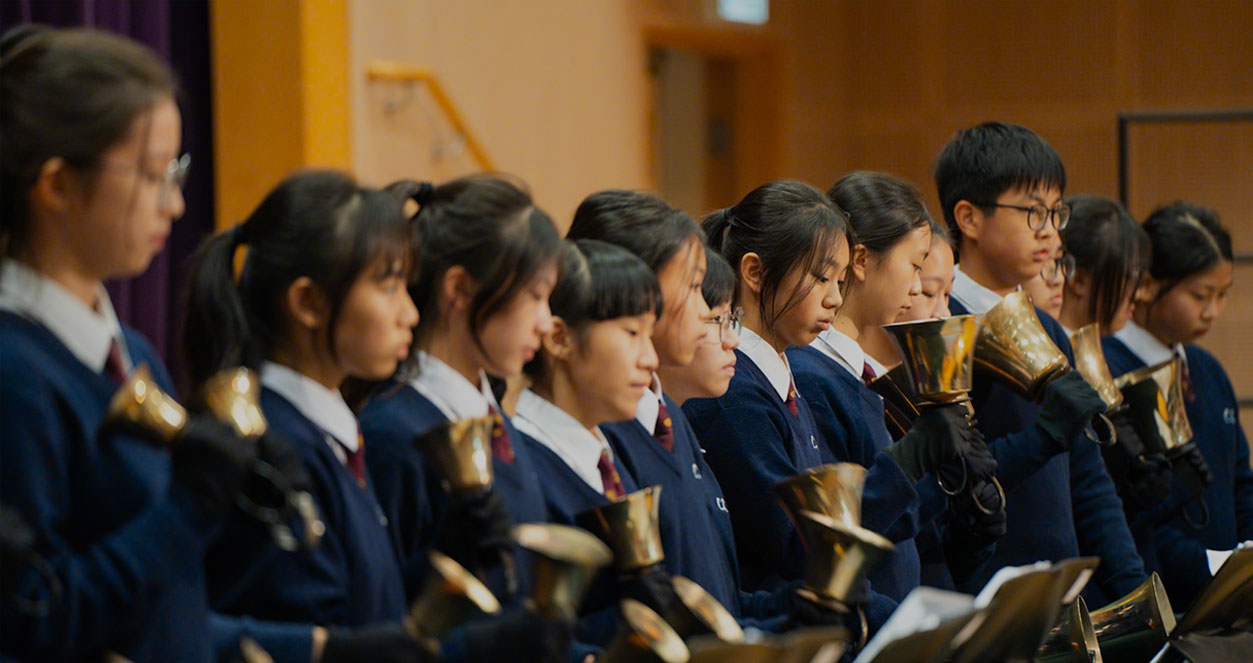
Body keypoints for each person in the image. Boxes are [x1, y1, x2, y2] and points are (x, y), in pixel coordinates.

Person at [0, 25, 282, 662]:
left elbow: (165, 604)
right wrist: (190, 507)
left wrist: (250, 503)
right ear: (57, 186)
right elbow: (35, 620)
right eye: (153, 175)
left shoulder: (129, 351)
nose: (175, 204)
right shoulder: (15, 373)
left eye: (177, 172)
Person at [935, 121, 1146, 604]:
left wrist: (1135, 594)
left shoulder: (1048, 329)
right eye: (1033, 212)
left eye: (1055, 212)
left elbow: (1088, 480)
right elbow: (952, 484)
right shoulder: (942, 328)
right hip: (986, 603)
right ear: (969, 218)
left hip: (1061, 599)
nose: (1050, 230)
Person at [790, 172, 999, 603]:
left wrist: (953, 491)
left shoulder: (857, 375)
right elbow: (849, 529)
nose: (917, 286)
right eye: (916, 265)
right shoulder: (814, 378)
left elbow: (898, 520)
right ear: (861, 261)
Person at [1102, 201, 1251, 606]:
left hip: (1229, 596)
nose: (1213, 312)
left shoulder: (1206, 368)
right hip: (1159, 597)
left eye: (1222, 295)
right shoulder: (1108, 372)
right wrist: (1213, 568)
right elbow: (1129, 512)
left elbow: (1241, 482)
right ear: (1148, 285)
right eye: (1200, 295)